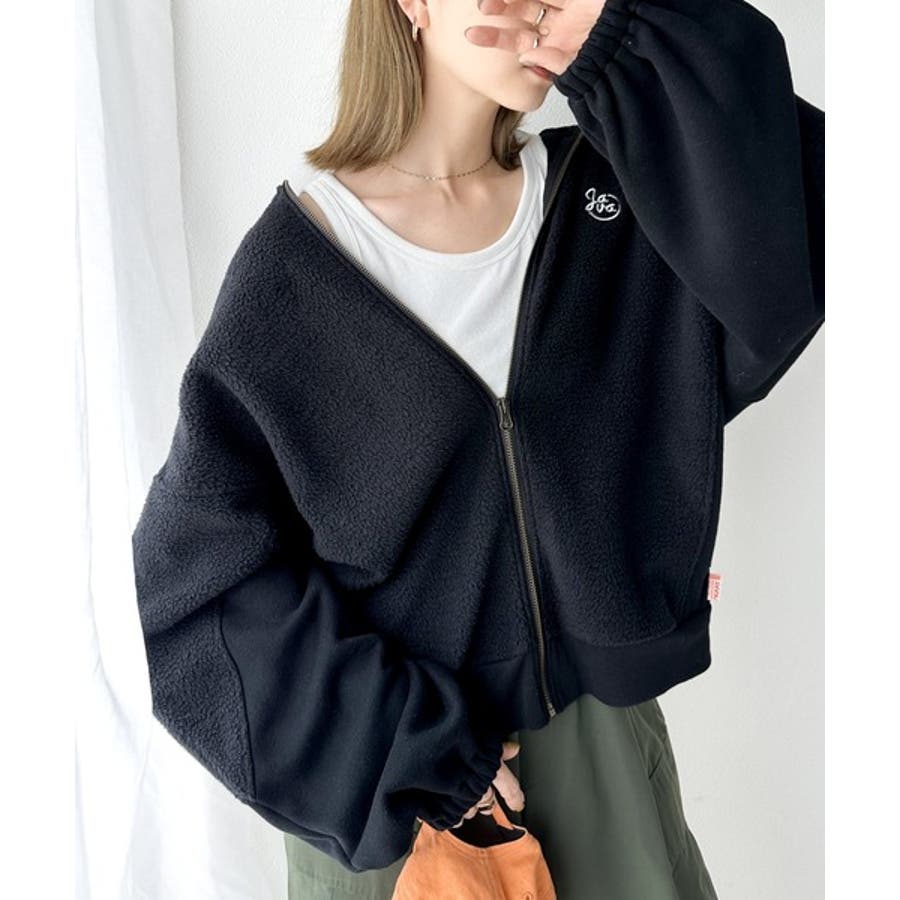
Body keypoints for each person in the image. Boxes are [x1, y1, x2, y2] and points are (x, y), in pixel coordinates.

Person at [130, 0, 823, 897]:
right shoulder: (299, 270)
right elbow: (191, 586)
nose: (540, 6)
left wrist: (625, 38)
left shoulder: (613, 198)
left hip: (602, 755)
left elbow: (808, 207)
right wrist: (407, 751)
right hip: (407, 805)